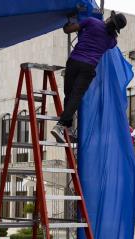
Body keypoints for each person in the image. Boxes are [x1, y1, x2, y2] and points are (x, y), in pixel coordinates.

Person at [50, 11, 128, 143]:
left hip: (74, 62)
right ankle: (63, 126)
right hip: (88, 67)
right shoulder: (111, 40)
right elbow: (113, 42)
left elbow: (67, 30)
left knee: (68, 94)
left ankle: (65, 126)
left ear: (110, 18)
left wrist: (69, 23)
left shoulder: (91, 22)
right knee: (75, 96)